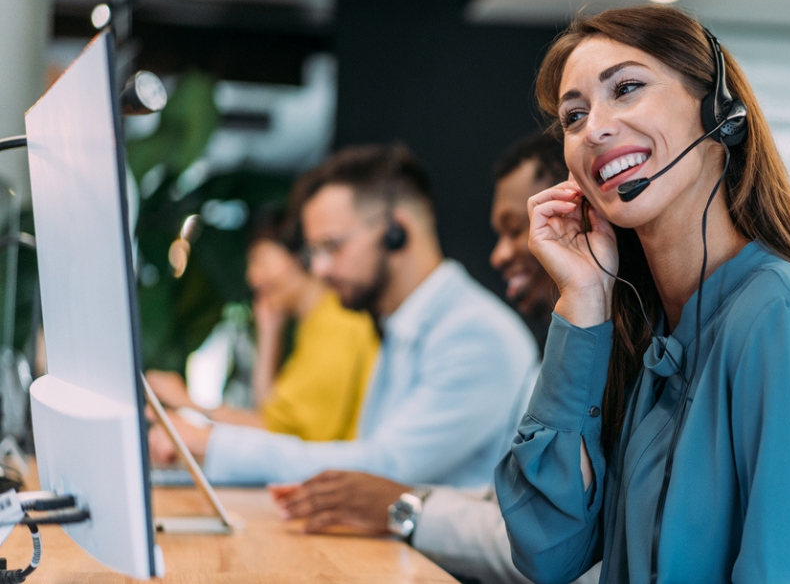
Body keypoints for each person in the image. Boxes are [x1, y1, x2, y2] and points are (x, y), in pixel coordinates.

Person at [494, 6, 790, 583]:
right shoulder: (651, 328)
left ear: (719, 112)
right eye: (574, 115)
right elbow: (547, 550)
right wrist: (583, 302)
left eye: (627, 88)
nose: (595, 128)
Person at [274, 133, 599, 584]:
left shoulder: (479, 335)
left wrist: (403, 506)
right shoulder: (400, 329)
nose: (499, 254)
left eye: (520, 228)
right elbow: (506, 507)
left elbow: (541, 542)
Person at [149, 143, 539, 490]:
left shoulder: (473, 334)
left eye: (332, 247)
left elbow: (383, 470)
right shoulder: (403, 324)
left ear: (395, 232)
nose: (318, 269)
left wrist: (212, 442)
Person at [146, 208, 379, 442]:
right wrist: (269, 333)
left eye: (261, 260)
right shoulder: (319, 321)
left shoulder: (337, 321)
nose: (252, 276)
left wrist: (188, 403)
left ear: (300, 257)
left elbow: (280, 432)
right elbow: (273, 414)